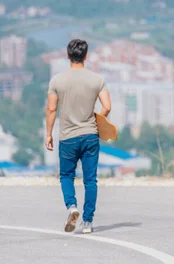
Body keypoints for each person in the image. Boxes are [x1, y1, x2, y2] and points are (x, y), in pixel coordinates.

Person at [45, 39, 111, 234]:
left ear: (68, 56)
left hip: (68, 137)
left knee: (66, 175)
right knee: (90, 180)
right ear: (86, 55)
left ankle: (72, 207)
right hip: (90, 135)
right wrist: (98, 122)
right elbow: (107, 106)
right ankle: (88, 222)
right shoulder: (97, 79)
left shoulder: (57, 81)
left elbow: (51, 109)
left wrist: (48, 134)